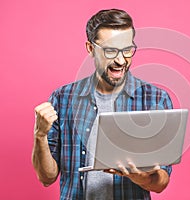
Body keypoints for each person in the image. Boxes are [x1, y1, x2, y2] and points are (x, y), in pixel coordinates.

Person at [32, 8, 173, 200]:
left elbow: (161, 182)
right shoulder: (62, 98)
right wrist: (40, 135)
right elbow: (46, 177)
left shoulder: (155, 100)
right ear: (90, 49)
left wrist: (139, 177)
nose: (120, 60)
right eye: (110, 50)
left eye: (127, 50)